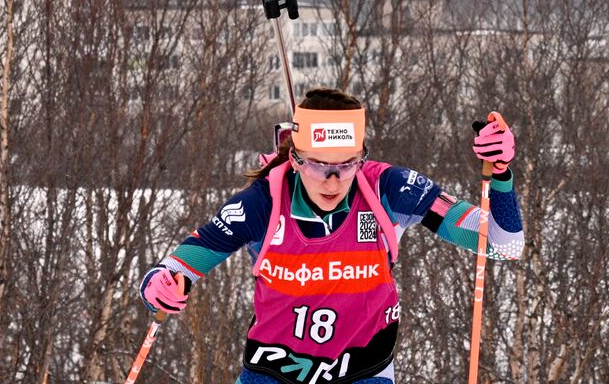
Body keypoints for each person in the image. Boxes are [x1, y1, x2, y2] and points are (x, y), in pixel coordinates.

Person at [138, 87, 523, 383]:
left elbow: (505, 245)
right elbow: (183, 264)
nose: (334, 181)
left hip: (364, 371)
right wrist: (160, 283)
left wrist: (502, 173)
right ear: (295, 159)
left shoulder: (389, 188)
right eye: (320, 166)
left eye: (348, 164)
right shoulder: (264, 202)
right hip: (274, 373)